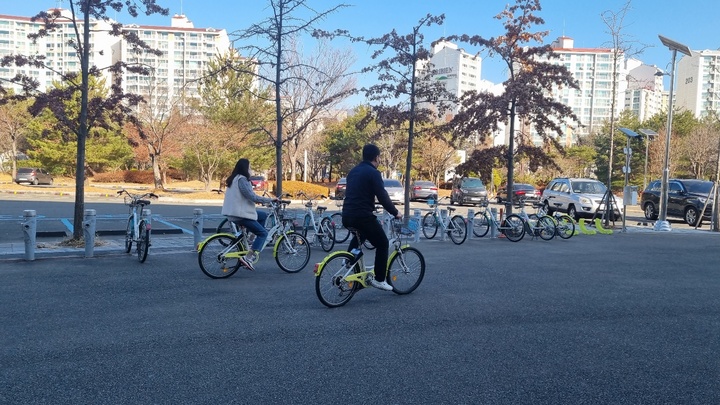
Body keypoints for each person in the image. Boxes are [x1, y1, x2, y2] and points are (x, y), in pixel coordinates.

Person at [342, 144, 402, 291]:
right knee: (382, 243)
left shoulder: (353, 171)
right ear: (376, 157)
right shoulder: (373, 173)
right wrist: (395, 212)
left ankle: (348, 260)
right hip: (362, 216)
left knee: (360, 235)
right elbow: (382, 196)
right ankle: (380, 279)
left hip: (346, 215)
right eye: (380, 157)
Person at [221, 158, 276, 271]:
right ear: (245, 168)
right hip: (241, 214)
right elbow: (251, 196)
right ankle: (248, 257)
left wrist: (258, 200)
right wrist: (269, 200)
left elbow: (244, 196)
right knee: (263, 234)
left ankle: (251, 238)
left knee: (262, 215)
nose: (250, 170)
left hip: (234, 212)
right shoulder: (242, 179)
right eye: (249, 167)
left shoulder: (233, 179)